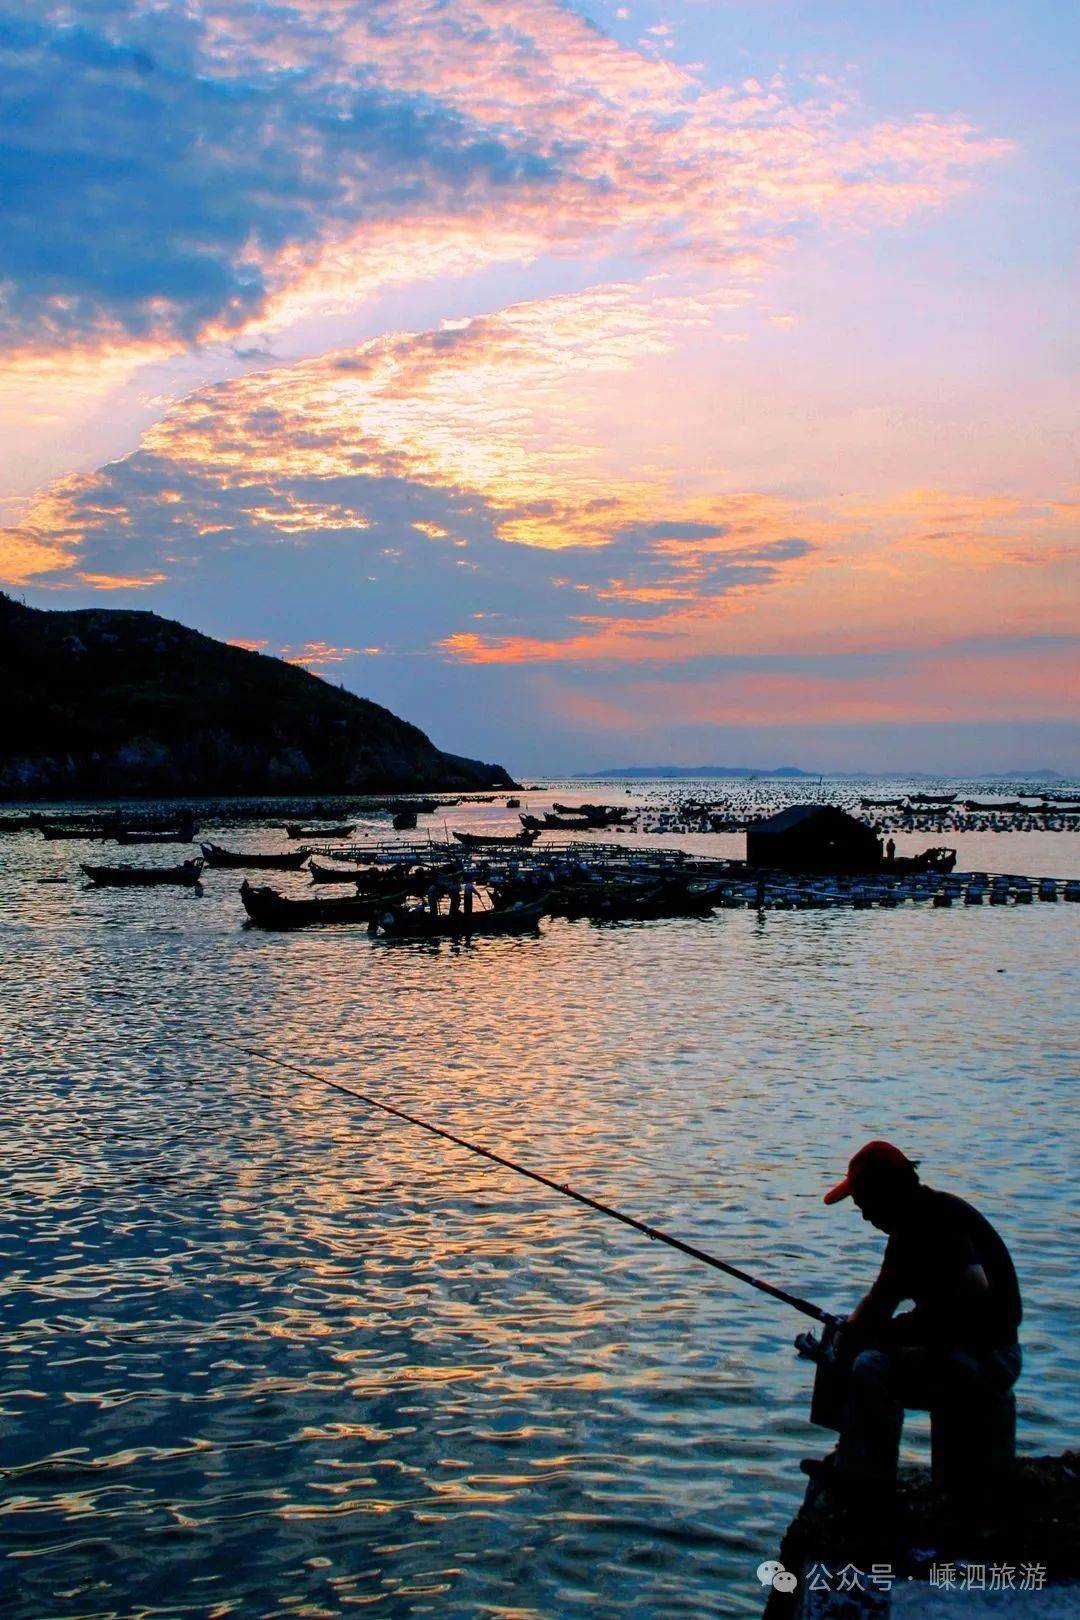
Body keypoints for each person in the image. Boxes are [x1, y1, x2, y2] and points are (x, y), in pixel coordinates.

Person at [815, 1140, 1021, 1499]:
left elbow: (974, 1292)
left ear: (888, 1191)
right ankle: (854, 1463)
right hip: (960, 1349)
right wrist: (848, 1332)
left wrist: (900, 1333)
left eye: (864, 1201)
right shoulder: (907, 1232)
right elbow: (879, 1300)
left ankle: (864, 1484)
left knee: (872, 1368)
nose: (863, 1214)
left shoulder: (938, 1220)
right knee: (857, 1350)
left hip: (988, 1358)